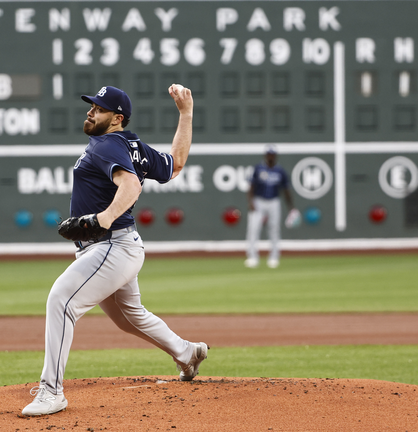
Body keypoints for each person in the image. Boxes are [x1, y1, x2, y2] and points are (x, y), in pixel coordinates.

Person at [21, 85, 209, 416]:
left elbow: (131, 185)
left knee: (61, 300)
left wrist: (100, 219)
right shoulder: (131, 146)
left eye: (98, 108)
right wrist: (186, 114)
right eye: (91, 105)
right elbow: (175, 165)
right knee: (129, 317)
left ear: (116, 118)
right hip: (116, 247)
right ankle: (187, 352)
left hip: (111, 245)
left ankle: (51, 392)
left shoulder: (107, 144)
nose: (90, 111)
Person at [244, 145, 295, 269]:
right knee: (253, 229)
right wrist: (250, 202)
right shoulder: (258, 168)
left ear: (275, 155)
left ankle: (274, 256)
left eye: (272, 154)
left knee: (274, 229)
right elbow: (251, 186)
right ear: (265, 155)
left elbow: (286, 190)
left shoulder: (280, 171)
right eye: (268, 154)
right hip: (259, 200)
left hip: (274, 201)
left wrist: (291, 207)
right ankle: (252, 257)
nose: (270, 156)